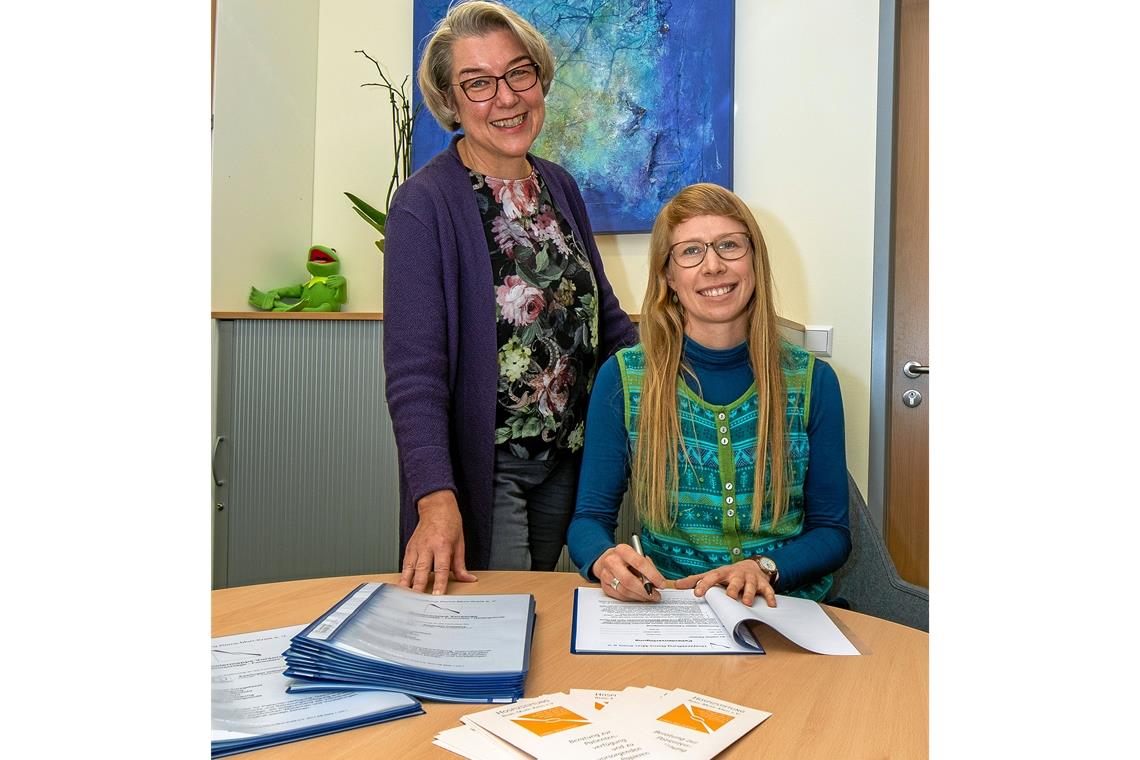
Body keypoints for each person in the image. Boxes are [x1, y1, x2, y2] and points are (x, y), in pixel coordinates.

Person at [384, 1, 637, 595]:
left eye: (518, 72)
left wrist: (679, 379)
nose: (506, 96)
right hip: (488, 471)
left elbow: (603, 317)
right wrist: (435, 500)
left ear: (539, 77)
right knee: (497, 623)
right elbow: (414, 376)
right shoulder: (423, 206)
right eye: (478, 83)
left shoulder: (559, 186)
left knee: (541, 620)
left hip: (569, 462)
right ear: (451, 101)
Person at [567, 183, 851, 608]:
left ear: (754, 260)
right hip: (670, 608)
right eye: (691, 251)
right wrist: (604, 559)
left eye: (729, 246)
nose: (713, 266)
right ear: (668, 275)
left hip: (783, 608)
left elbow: (832, 533)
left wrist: (765, 567)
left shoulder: (813, 382)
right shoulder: (625, 378)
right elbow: (588, 519)